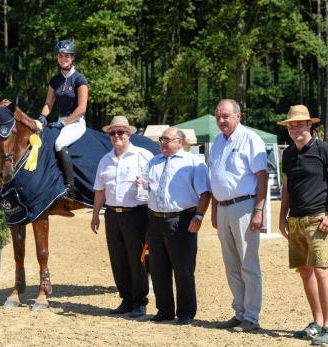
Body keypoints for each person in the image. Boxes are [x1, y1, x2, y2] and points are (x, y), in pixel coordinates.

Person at [277, 105, 328, 345]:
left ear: (309, 125)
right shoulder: (288, 154)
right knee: (305, 272)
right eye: (291, 125)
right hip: (295, 221)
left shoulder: (324, 149)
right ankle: (317, 322)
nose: (294, 127)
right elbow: (286, 188)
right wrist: (281, 217)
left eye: (299, 123)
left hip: (319, 220)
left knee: (320, 271)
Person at [209, 99, 268, 332]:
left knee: (248, 263)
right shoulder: (216, 142)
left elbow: (262, 177)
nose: (221, 120)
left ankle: (251, 316)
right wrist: (214, 210)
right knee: (231, 264)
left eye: (226, 116)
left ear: (238, 116)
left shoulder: (250, 138)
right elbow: (215, 178)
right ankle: (240, 311)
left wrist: (259, 210)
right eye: (218, 116)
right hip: (223, 208)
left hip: (245, 206)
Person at [143, 127, 210, 325]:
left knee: (183, 268)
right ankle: (164, 310)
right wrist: (142, 185)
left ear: (180, 142)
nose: (162, 142)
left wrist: (198, 216)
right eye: (161, 139)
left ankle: (186, 312)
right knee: (157, 267)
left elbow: (204, 193)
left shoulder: (193, 163)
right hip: (155, 219)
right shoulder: (153, 162)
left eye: (167, 139)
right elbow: (146, 187)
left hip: (182, 220)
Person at [91, 116, 153, 318]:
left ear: (129, 134)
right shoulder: (105, 160)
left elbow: (156, 182)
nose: (116, 136)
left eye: (121, 132)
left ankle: (140, 301)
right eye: (113, 133)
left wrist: (145, 186)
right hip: (112, 215)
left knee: (137, 259)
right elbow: (100, 191)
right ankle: (126, 299)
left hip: (136, 214)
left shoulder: (143, 155)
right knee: (117, 259)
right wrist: (95, 216)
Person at [39, 39, 88, 199]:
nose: (63, 58)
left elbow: (81, 109)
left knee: (59, 143)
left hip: (76, 122)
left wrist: (64, 123)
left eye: (67, 55)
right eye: (60, 55)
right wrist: (42, 117)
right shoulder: (55, 80)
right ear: (57, 58)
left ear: (73, 57)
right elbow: (48, 103)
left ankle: (70, 188)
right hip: (60, 122)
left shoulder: (80, 79)